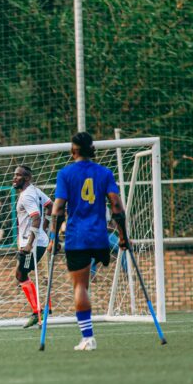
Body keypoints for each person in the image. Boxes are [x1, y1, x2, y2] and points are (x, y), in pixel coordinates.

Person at [51, 133, 128, 351]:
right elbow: (116, 206)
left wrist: (53, 239)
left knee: (80, 286)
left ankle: (88, 337)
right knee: (88, 278)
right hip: (101, 237)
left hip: (78, 239)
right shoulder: (104, 172)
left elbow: (57, 209)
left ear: (73, 150)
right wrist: (123, 236)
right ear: (91, 149)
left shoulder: (65, 173)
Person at [13, 165, 52, 329]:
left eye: (18, 175)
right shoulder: (34, 191)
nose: (14, 178)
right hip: (37, 240)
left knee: (21, 274)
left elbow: (35, 218)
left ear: (27, 178)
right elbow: (51, 205)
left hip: (32, 244)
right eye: (14, 175)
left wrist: (29, 244)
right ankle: (41, 310)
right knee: (21, 274)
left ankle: (39, 311)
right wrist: (45, 227)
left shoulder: (27, 196)